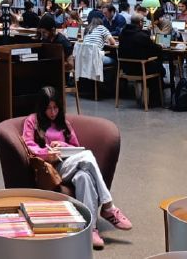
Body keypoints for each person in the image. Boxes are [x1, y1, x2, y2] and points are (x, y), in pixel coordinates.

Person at [21, 86, 132, 249]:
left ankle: (90, 229)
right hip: (53, 169)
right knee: (87, 156)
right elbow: (28, 146)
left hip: (70, 163)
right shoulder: (32, 121)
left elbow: (75, 147)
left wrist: (62, 145)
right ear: (41, 108)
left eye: (56, 108)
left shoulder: (63, 123)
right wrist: (47, 153)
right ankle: (108, 206)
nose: (53, 112)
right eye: (49, 108)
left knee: (84, 177)